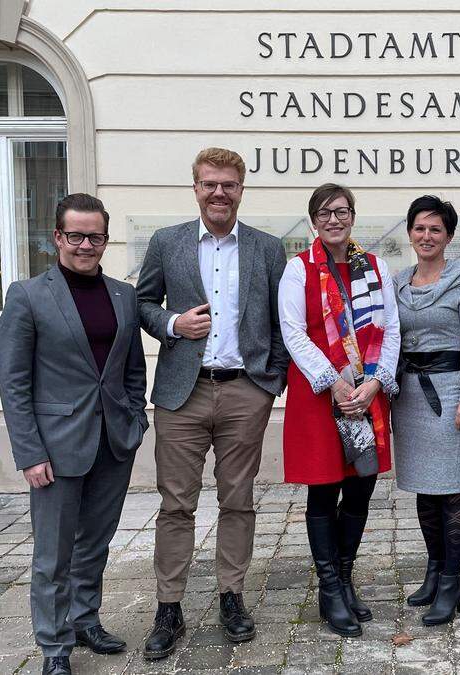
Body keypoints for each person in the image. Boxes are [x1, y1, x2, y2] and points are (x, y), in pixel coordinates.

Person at [135, 147, 289, 655]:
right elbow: (142, 303)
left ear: (241, 189)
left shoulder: (267, 248)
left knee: (237, 500)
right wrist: (172, 324)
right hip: (183, 390)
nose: (219, 192)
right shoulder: (168, 242)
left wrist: (272, 383)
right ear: (196, 188)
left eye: (229, 184)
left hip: (246, 390)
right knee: (176, 503)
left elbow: (280, 320)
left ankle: (231, 596)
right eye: (209, 184)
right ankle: (169, 606)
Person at [0, 193, 148, 675]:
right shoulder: (28, 295)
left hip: (113, 441)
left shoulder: (123, 295)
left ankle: (86, 621)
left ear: (106, 239)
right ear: (57, 237)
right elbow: (14, 383)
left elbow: (132, 369)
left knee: (95, 543)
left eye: (96, 236)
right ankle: (54, 645)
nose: (86, 245)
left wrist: (136, 420)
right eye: (76, 235)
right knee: (53, 553)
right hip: (56, 448)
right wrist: (29, 452)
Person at [277, 183, 400, 637]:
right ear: (313, 220)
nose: (334, 219)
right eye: (325, 212)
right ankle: (330, 589)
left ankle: (346, 579)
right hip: (319, 396)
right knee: (325, 489)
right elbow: (293, 332)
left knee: (362, 484)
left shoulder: (376, 267)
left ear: (352, 216)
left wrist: (373, 382)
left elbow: (391, 330)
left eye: (342, 211)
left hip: (366, 395)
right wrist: (333, 382)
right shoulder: (298, 270)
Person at [391, 195, 460, 625]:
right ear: (409, 232)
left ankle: (452, 580)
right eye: (419, 228)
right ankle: (433, 569)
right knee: (425, 491)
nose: (426, 236)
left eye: (435, 229)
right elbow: (388, 339)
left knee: (450, 490)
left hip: (450, 396)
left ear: (448, 236)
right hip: (409, 395)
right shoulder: (398, 281)